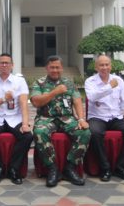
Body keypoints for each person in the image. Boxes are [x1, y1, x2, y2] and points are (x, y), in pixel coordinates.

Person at [31, 55, 90, 188]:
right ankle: (52, 169)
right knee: (39, 131)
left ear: (62, 68)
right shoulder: (39, 83)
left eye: (57, 67)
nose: (55, 70)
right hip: (46, 118)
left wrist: (81, 119)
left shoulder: (69, 83)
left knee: (85, 132)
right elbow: (35, 102)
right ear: (47, 68)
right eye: (52, 67)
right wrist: (54, 92)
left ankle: (70, 168)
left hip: (67, 118)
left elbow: (77, 100)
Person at [84, 54, 124, 182]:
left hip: (116, 117)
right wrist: (109, 86)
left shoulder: (119, 80)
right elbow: (92, 97)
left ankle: (122, 167)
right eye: (101, 65)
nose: (104, 67)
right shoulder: (90, 81)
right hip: (97, 117)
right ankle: (105, 168)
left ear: (111, 66)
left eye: (107, 64)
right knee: (94, 133)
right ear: (96, 67)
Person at [0, 53, 33, 185]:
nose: (4, 65)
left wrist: (25, 124)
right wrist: (3, 99)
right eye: (1, 63)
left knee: (27, 136)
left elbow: (24, 104)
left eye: (7, 63)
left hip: (14, 117)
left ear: (12, 65)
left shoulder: (19, 82)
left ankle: (14, 169)